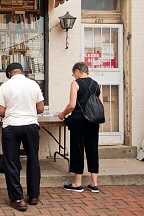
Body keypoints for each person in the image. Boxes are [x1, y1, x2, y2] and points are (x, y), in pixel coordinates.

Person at [0, 62, 44, 212]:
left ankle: (18, 199)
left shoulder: (5, 86)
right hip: (30, 125)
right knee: (33, 159)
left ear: (9, 74)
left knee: (11, 162)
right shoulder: (33, 85)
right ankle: (34, 195)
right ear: (22, 72)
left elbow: (1, 111)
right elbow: (41, 108)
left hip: (11, 126)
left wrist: (9, 111)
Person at [58, 62, 102, 193]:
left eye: (74, 73)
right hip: (93, 121)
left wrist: (62, 114)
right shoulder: (96, 84)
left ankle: (77, 183)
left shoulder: (75, 83)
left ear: (78, 71)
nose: (74, 76)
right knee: (93, 150)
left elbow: (72, 105)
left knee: (78, 150)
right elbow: (100, 104)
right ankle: (94, 183)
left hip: (79, 121)